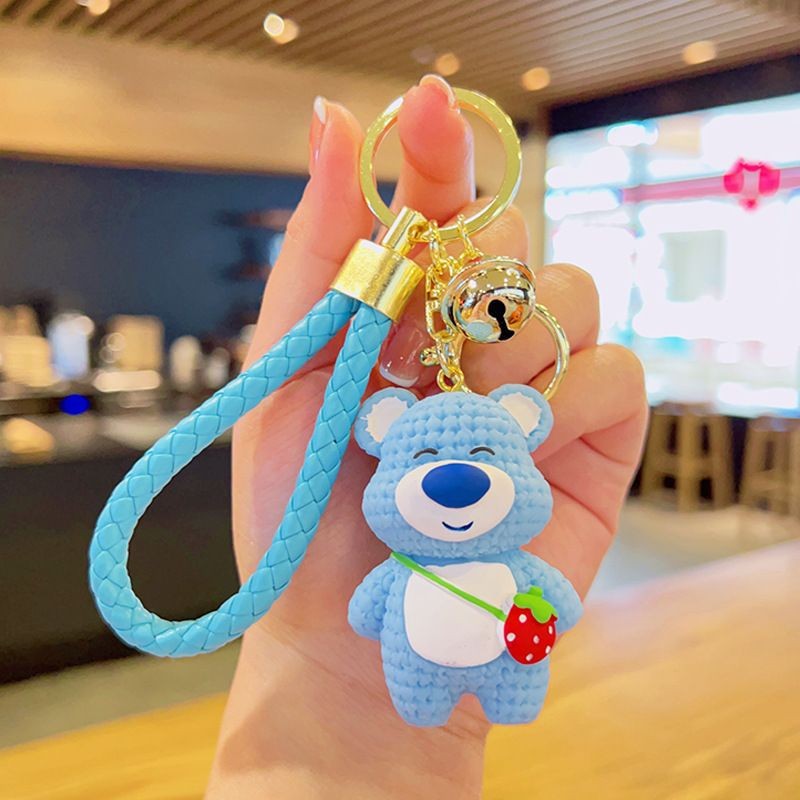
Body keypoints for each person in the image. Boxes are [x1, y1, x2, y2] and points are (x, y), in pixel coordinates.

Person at [206, 75, 648, 799]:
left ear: (522, 424)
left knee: (506, 686)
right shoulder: (392, 555)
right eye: (427, 458)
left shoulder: (510, 554)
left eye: (484, 455)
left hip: (474, 670)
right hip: (391, 676)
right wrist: (319, 678)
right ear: (379, 435)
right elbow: (364, 611)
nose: (456, 476)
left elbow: (552, 601)